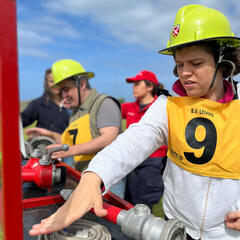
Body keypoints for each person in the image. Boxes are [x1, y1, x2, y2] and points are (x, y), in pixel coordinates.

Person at [29, 5, 240, 239]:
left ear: (223, 61)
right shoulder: (167, 107)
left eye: (196, 63)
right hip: (176, 229)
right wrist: (94, 176)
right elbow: (133, 141)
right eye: (180, 64)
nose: (185, 73)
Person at [26, 59, 125, 197]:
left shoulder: (104, 103)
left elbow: (109, 138)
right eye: (61, 91)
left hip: (108, 182)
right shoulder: (76, 111)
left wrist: (71, 151)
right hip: (86, 178)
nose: (63, 96)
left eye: (66, 89)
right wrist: (48, 134)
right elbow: (72, 141)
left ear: (82, 84)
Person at [122, 70, 168, 209]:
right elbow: (108, 110)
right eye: (133, 84)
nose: (133, 87)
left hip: (153, 162)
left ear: (150, 87)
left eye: (137, 83)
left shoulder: (161, 107)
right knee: (129, 203)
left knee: (143, 205)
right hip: (133, 161)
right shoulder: (130, 107)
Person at [21, 68, 69, 134]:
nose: (55, 84)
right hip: (44, 143)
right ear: (47, 83)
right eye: (51, 81)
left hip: (65, 143)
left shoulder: (71, 104)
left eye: (58, 80)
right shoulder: (38, 104)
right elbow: (20, 122)